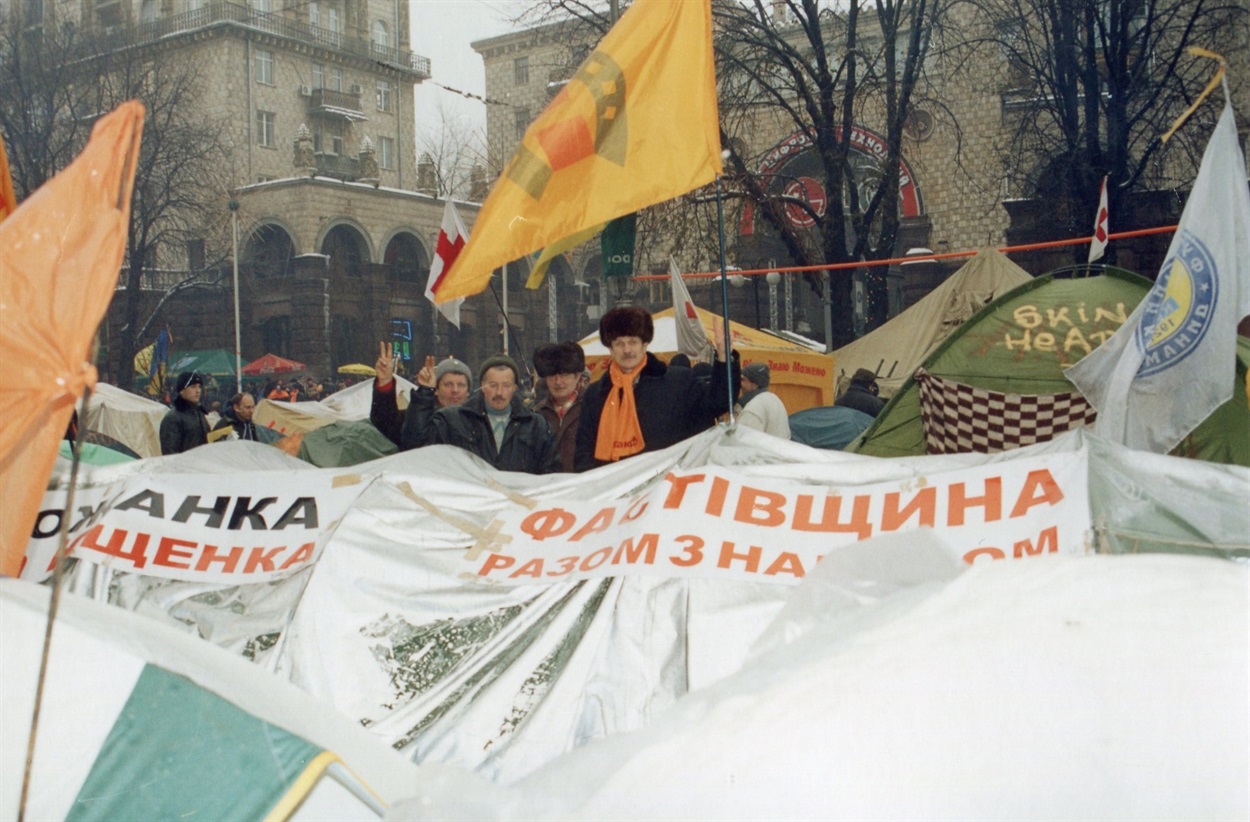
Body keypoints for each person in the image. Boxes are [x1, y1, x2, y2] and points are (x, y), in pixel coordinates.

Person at [574, 306, 739, 472]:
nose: (627, 350)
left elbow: (719, 403)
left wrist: (724, 359)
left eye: (633, 342)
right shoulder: (596, 394)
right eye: (619, 343)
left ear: (645, 344)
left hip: (666, 487)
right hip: (615, 491)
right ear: (610, 348)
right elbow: (584, 451)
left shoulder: (679, 382)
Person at [419, 354, 559, 473]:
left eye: (506, 385)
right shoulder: (453, 420)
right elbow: (418, 444)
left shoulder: (536, 425)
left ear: (514, 387)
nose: (499, 392)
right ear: (482, 386)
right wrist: (424, 393)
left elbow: (550, 472)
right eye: (493, 385)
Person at [371, 342, 473, 449]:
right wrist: (385, 383)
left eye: (461, 385)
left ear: (468, 391)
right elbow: (385, 421)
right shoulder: (415, 418)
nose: (455, 390)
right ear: (436, 389)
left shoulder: (478, 422)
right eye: (448, 384)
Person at [532, 341, 586, 472]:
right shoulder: (536, 414)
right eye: (552, 376)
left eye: (564, 375)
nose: (558, 382)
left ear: (577, 376)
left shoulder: (592, 409)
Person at [160, 371, 211, 455]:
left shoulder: (199, 413)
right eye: (193, 387)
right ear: (182, 390)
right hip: (184, 466)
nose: (198, 391)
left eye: (199, 387)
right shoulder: (173, 418)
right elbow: (170, 452)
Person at [735, 362, 790, 438]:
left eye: (743, 380)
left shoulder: (753, 408)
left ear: (754, 384)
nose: (740, 384)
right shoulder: (776, 400)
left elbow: (745, 442)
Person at [209, 392, 276, 443]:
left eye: (253, 407)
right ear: (236, 408)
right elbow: (212, 448)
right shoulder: (223, 425)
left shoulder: (254, 425)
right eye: (247, 407)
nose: (251, 411)